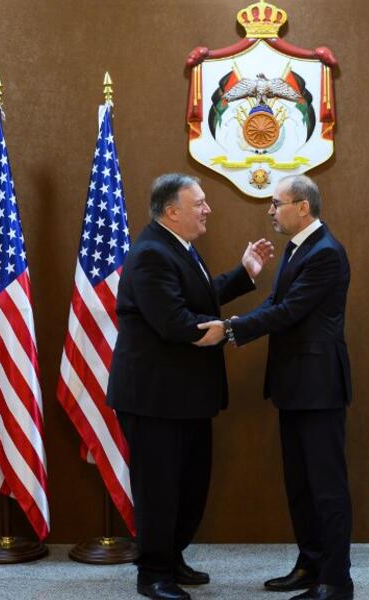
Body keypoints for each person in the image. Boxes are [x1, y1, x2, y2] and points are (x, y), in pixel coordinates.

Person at [107, 173, 274, 600]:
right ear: (171, 211)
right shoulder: (150, 254)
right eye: (199, 202)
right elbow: (176, 322)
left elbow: (198, 296)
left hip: (186, 397)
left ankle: (172, 556)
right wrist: (234, 328)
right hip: (155, 398)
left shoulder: (177, 248)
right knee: (159, 488)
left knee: (189, 485)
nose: (207, 209)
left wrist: (244, 274)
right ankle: (153, 574)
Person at [196, 175, 353, 600]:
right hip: (294, 386)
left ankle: (336, 581)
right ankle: (310, 564)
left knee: (326, 486)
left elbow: (291, 310)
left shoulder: (326, 253)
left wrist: (230, 328)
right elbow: (275, 303)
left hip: (319, 387)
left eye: (276, 203)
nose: (270, 211)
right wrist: (235, 328)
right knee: (300, 484)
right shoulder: (297, 248)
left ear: (303, 207)